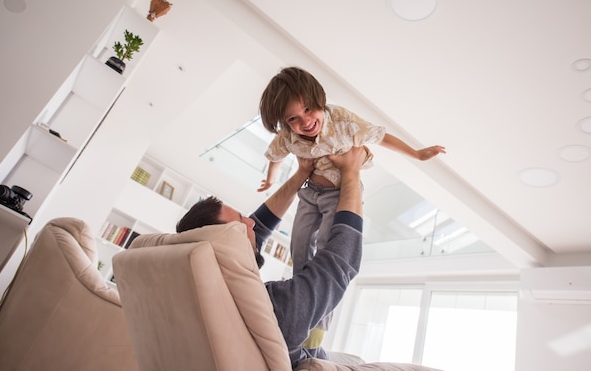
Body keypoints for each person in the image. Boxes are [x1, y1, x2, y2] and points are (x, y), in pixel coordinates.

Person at [257, 66, 446, 333]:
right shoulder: (288, 137)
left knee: (326, 248)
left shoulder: (343, 122)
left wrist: (416, 154)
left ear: (319, 100)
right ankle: (301, 303)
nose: (305, 122)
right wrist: (270, 179)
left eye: (309, 109)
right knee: (298, 244)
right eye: (293, 118)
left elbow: (381, 136)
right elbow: (274, 156)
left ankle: (319, 325)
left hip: (338, 194)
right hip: (310, 193)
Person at [176, 147, 368, 368]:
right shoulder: (274, 309)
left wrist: (301, 174)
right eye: (241, 223)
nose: (251, 223)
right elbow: (340, 261)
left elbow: (258, 226)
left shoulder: (208, 292)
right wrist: (352, 173)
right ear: (225, 247)